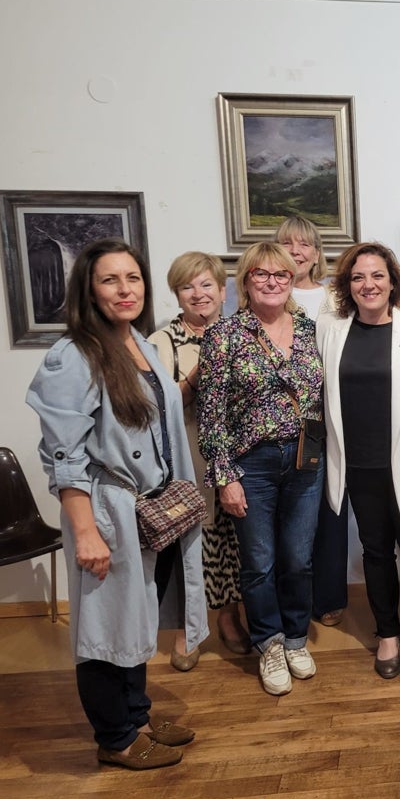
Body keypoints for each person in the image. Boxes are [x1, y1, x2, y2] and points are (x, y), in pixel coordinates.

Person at [27, 238, 206, 770]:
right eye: (110, 279)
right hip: (108, 512)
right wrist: (85, 531)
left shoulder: (138, 344)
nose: (125, 289)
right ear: (89, 288)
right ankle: (115, 737)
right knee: (104, 629)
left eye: (133, 278)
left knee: (138, 618)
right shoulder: (73, 355)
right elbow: (64, 454)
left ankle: (139, 716)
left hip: (154, 510)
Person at [197, 241, 325, 696]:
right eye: (261, 275)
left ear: (292, 281)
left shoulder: (309, 330)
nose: (272, 282)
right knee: (259, 562)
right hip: (251, 464)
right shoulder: (224, 336)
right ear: (245, 280)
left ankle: (294, 638)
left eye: (282, 275)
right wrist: (225, 476)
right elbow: (210, 414)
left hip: (306, 459)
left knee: (297, 558)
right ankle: (268, 642)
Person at [317, 242, 400, 679]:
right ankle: (387, 634)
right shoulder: (330, 330)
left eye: (377, 276)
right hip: (357, 464)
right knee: (375, 552)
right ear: (347, 286)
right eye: (358, 277)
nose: (368, 284)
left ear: (393, 282)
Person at [149, 252, 251, 665]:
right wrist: (198, 372)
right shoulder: (161, 341)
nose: (199, 293)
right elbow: (159, 406)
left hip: (241, 458)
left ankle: (230, 618)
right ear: (177, 294)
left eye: (207, 284)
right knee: (191, 546)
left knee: (234, 543)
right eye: (188, 286)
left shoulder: (241, 332)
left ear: (223, 291)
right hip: (190, 458)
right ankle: (188, 631)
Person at [274, 217, 350, 631]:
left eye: (304, 245)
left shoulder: (335, 297)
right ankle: (289, 604)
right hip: (278, 423)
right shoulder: (265, 296)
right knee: (284, 519)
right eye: (287, 243)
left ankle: (330, 596)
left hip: (329, 418)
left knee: (330, 507)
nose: (296, 251)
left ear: (317, 254)